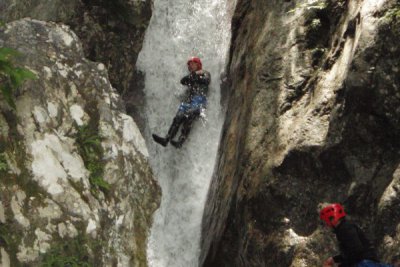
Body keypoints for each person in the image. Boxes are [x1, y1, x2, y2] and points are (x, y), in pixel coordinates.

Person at [152, 56, 211, 148]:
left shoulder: (205, 73)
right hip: (189, 101)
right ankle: (167, 139)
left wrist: (196, 75)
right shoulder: (191, 76)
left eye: (192, 64)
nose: (190, 66)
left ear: (198, 64)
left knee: (189, 115)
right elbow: (183, 81)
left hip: (199, 100)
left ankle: (181, 141)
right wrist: (193, 74)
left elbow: (206, 81)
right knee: (178, 117)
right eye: (189, 65)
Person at [320, 203, 394, 267]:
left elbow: (356, 251)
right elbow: (350, 253)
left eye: (326, 221)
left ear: (332, 218)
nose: (326, 225)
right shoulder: (344, 228)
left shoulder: (345, 229)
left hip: (363, 263)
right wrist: (335, 259)